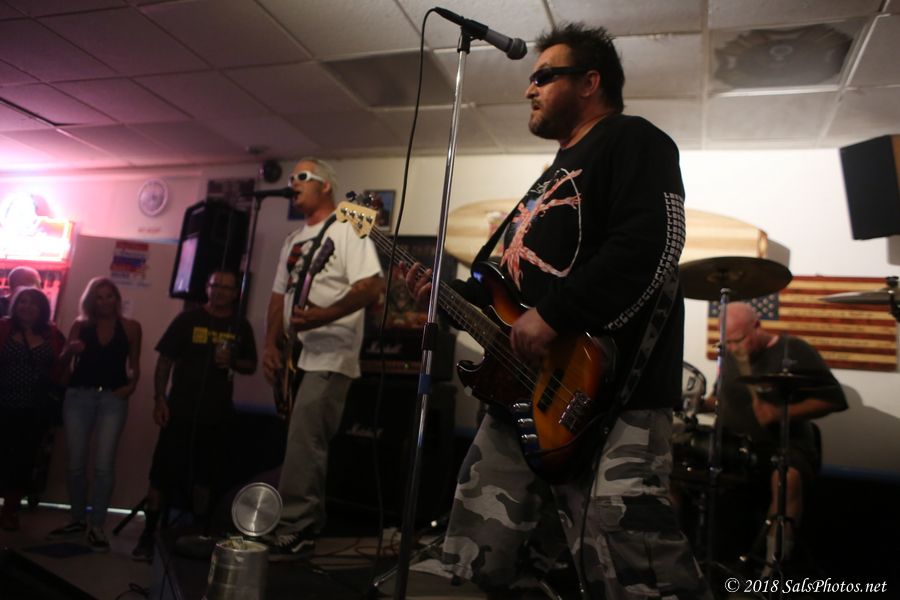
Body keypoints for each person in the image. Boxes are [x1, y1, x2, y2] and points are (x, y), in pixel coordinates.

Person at [406, 23, 711, 599]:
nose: (530, 88)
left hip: (610, 396)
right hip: (518, 394)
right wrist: (445, 301)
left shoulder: (632, 139)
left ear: (590, 82)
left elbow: (653, 243)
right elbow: (511, 299)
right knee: (470, 555)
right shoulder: (551, 175)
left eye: (544, 75)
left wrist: (556, 316)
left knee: (632, 566)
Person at [262, 157, 383, 561]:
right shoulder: (292, 239)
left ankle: (297, 527)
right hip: (295, 356)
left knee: (306, 438)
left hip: (330, 353)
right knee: (298, 440)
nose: (293, 183)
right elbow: (277, 297)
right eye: (291, 178)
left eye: (302, 177)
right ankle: (297, 521)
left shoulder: (348, 226)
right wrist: (270, 345)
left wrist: (322, 316)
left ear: (325, 185)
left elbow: (372, 286)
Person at [701, 301, 847, 567]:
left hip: (782, 446)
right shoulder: (731, 355)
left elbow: (834, 400)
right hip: (734, 446)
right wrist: (698, 403)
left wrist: (781, 413)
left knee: (786, 478)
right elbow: (718, 399)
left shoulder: (794, 350)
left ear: (756, 326)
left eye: (738, 340)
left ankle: (773, 566)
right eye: (726, 342)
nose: (732, 348)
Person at [131, 270, 256, 561]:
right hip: (179, 410)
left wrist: (233, 361)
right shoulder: (187, 319)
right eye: (215, 285)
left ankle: (198, 535)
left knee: (205, 479)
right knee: (160, 475)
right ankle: (147, 535)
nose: (220, 291)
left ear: (236, 293)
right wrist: (159, 399)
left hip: (217, 414)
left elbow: (251, 365)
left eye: (227, 287)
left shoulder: (241, 325)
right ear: (207, 288)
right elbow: (165, 360)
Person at [46, 278, 142, 552]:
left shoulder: (131, 327)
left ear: (117, 299)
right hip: (79, 396)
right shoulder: (80, 326)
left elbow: (134, 365)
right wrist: (70, 350)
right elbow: (63, 363)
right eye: (99, 297)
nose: (104, 301)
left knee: (103, 464)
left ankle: (97, 525)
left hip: (113, 398)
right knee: (76, 463)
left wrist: (131, 387)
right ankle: (77, 519)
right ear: (91, 301)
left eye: (109, 296)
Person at [0, 288, 64, 531]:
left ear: (42, 309)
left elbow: (59, 370)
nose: (26, 306)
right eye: (22, 301)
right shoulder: (4, 328)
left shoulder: (52, 334)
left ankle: (10, 511)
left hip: (34, 409)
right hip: (3, 403)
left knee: (23, 460)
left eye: (33, 303)